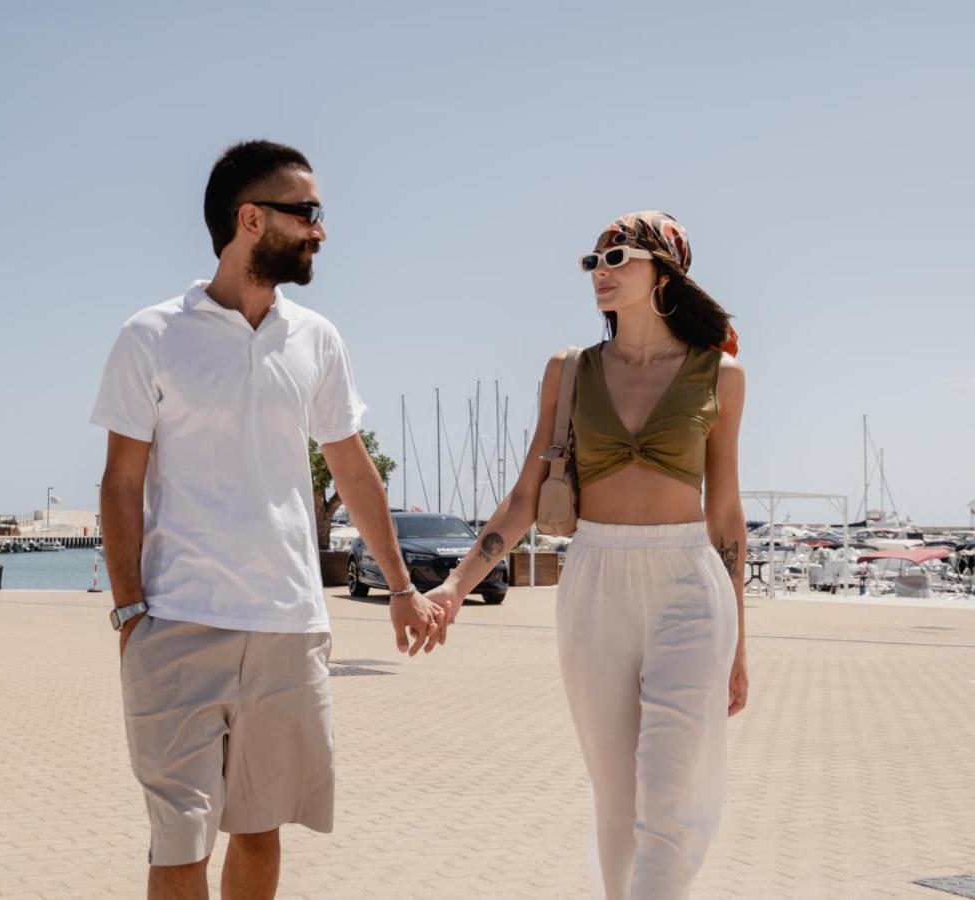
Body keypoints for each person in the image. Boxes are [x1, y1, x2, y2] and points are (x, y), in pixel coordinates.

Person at [90, 140, 446, 900]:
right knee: (179, 840)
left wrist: (402, 588)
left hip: (289, 625)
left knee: (259, 830)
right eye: (306, 213)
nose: (321, 231)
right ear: (250, 219)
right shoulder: (151, 336)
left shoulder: (317, 339)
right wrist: (129, 613)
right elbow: (122, 483)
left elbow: (352, 471)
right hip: (177, 626)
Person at [427, 211, 748, 899]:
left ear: (663, 271)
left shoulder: (719, 374)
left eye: (619, 257)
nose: (601, 271)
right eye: (593, 261)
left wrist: (740, 642)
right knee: (616, 793)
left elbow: (724, 513)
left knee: (667, 793)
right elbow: (523, 497)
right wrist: (457, 584)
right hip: (596, 579)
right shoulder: (570, 371)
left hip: (689, 583)